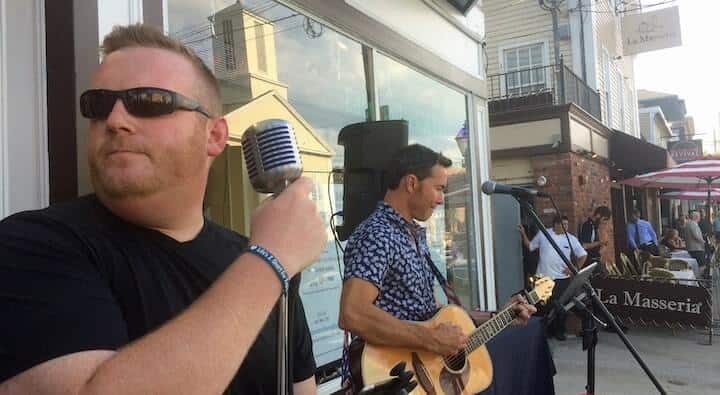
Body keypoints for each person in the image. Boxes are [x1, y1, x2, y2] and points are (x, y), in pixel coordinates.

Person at [0, 24, 326, 394]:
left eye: (150, 102)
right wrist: (271, 259)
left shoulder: (255, 260)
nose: (115, 121)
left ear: (215, 136)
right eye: (99, 105)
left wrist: (270, 260)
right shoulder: (31, 245)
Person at [338, 144, 536, 381]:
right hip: (392, 377)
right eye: (439, 189)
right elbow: (353, 313)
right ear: (411, 183)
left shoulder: (412, 235)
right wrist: (431, 338)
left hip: (424, 373)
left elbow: (431, 313)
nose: (442, 199)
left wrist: (498, 316)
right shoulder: (377, 234)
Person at [518, 215, 587, 341]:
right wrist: (523, 233)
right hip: (542, 278)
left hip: (561, 278)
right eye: (563, 224)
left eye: (567, 224)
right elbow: (530, 246)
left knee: (561, 306)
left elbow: (583, 255)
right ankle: (543, 332)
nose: (566, 227)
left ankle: (559, 331)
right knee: (542, 306)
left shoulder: (570, 238)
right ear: (555, 224)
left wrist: (574, 269)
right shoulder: (544, 234)